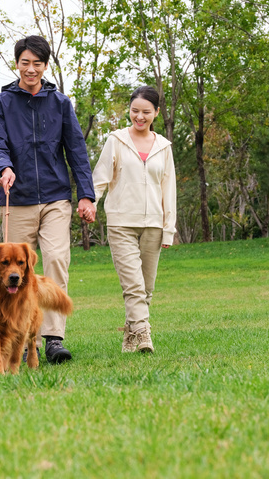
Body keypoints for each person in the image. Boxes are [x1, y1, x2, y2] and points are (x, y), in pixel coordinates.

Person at [0, 35, 97, 363]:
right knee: (14, 273)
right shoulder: (1, 103)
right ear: (16, 64)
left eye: (37, 63)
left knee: (57, 257)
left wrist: (86, 195)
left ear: (46, 66)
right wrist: (4, 166)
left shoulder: (60, 103)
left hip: (55, 197)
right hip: (16, 198)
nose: (31, 69)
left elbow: (76, 149)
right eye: (25, 62)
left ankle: (53, 338)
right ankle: (24, 337)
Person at [91, 85, 176, 354]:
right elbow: (100, 178)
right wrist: (90, 203)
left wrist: (169, 229)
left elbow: (168, 188)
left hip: (153, 224)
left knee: (146, 288)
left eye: (146, 112)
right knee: (134, 285)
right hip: (121, 223)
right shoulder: (116, 140)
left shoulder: (164, 146)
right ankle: (144, 334)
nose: (139, 117)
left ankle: (129, 336)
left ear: (156, 113)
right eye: (134, 111)